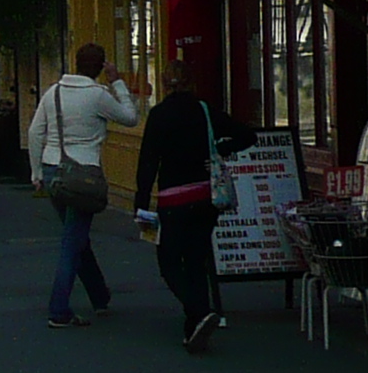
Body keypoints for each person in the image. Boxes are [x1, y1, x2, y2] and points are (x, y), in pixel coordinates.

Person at [28, 42, 139, 330]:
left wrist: (36, 171)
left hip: (54, 170)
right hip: (84, 176)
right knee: (72, 242)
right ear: (101, 67)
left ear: (75, 63)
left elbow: (35, 132)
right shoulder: (98, 96)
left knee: (76, 236)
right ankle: (59, 310)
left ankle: (99, 296)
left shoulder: (53, 93)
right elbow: (130, 118)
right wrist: (118, 83)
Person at [133, 63, 237, 353]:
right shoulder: (205, 111)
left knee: (168, 262)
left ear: (164, 84)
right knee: (196, 260)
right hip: (206, 197)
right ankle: (194, 328)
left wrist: (141, 202)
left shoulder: (159, 116)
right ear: (192, 82)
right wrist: (220, 149)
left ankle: (198, 312)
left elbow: (148, 162)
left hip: (172, 200)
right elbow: (245, 136)